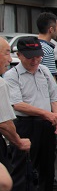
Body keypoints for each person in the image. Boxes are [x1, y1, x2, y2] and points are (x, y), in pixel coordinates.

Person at [4, 37, 57, 191]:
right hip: (25, 125)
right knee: (21, 169)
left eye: (38, 56)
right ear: (20, 55)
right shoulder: (11, 76)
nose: (35, 60)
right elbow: (18, 104)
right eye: (30, 57)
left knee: (47, 167)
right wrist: (48, 115)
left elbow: (54, 97)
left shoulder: (45, 71)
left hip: (46, 123)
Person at [0, 37, 31, 167]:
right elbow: (4, 123)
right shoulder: (1, 84)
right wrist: (19, 142)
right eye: (7, 53)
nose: (10, 59)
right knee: (5, 183)